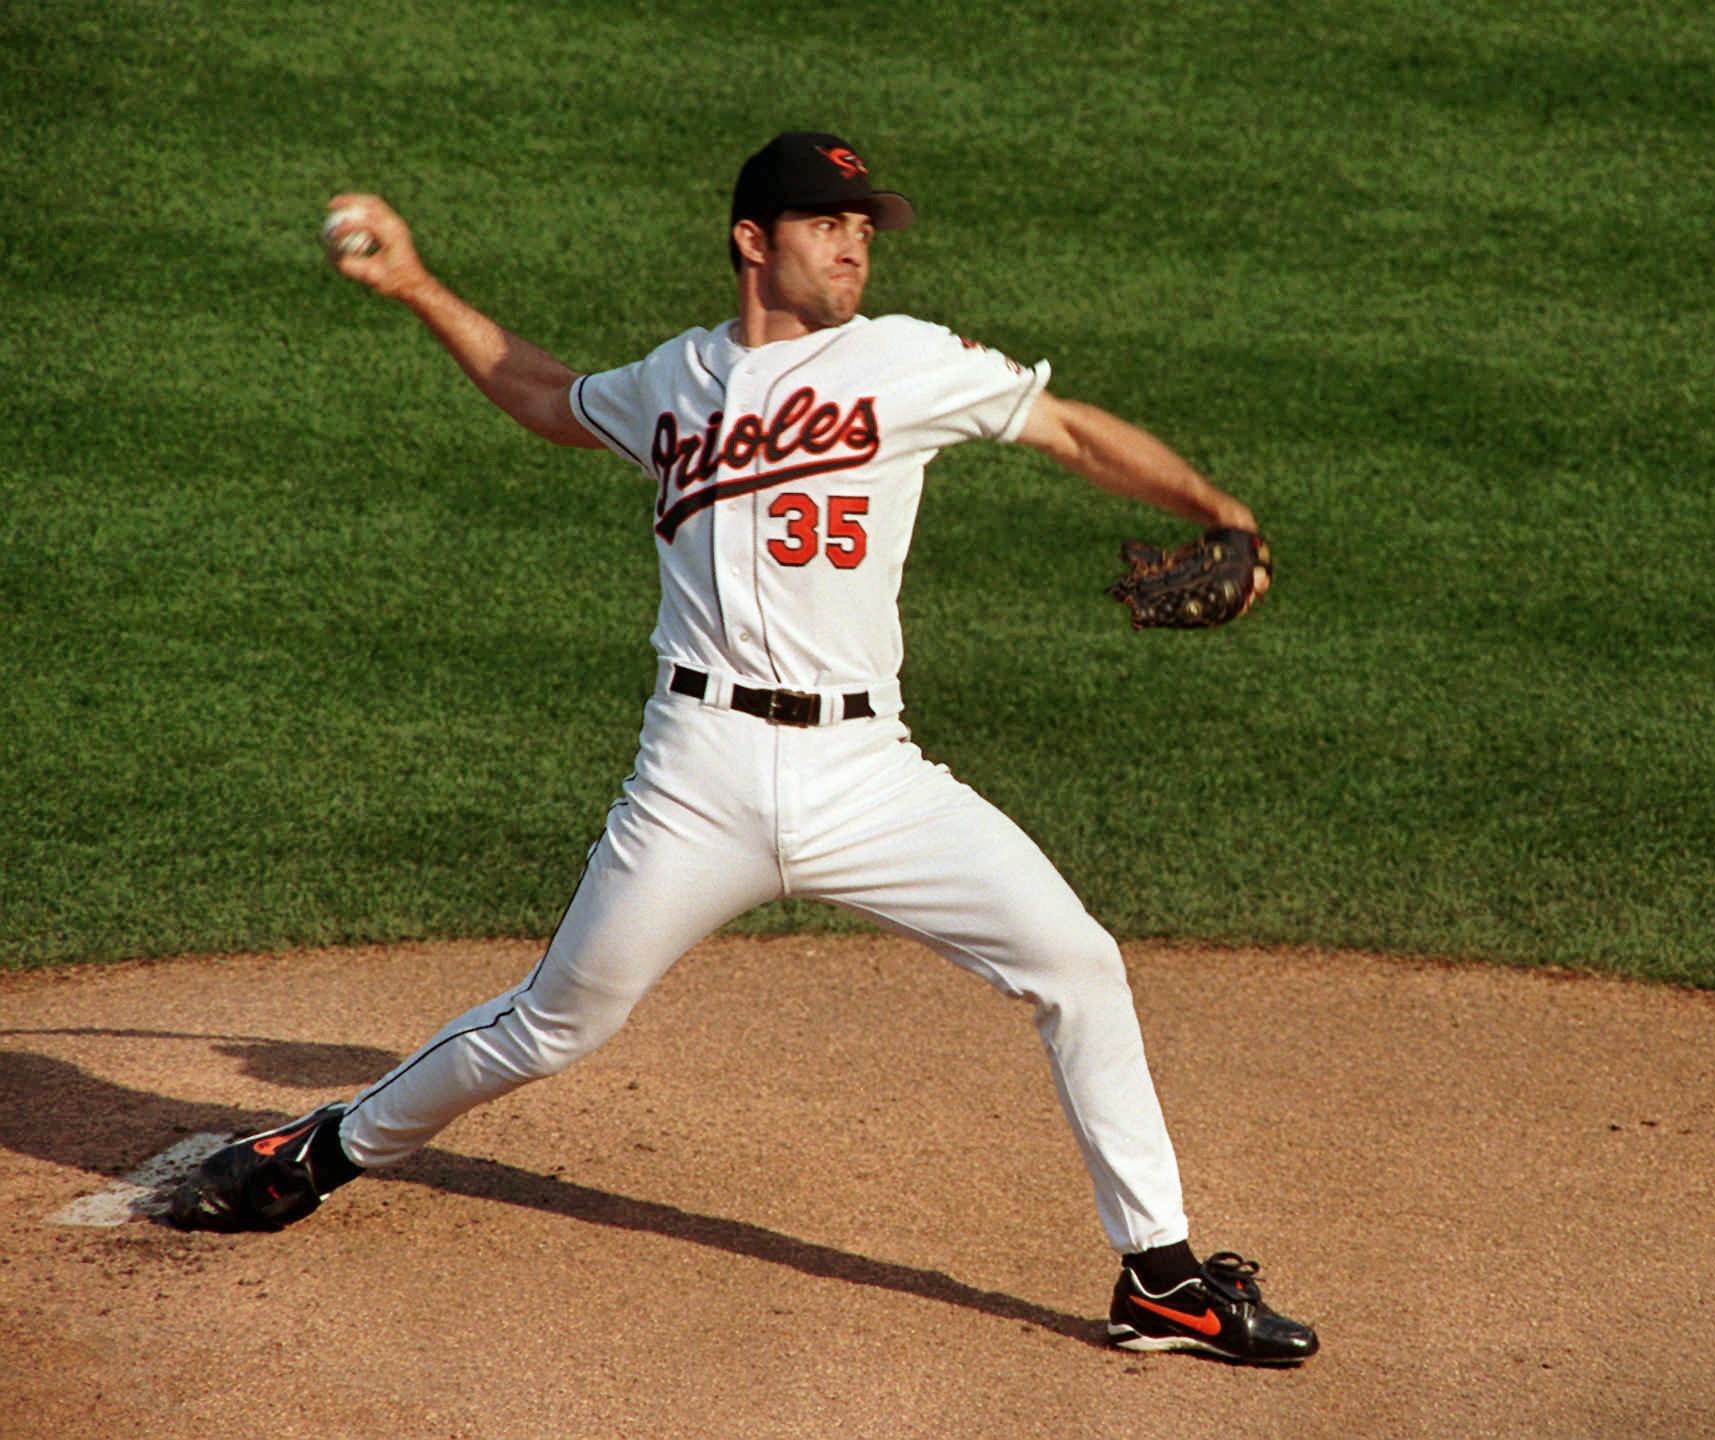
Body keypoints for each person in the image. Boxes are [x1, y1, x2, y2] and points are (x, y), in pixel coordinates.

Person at [169, 131, 1314, 1366]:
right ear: (753, 240)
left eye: (866, 227)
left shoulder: (906, 360)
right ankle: (325, 1151)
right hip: (697, 773)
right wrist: (415, 287)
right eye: (830, 223)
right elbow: (552, 400)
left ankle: (1159, 1280)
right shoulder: (673, 378)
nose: (855, 245)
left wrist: (1215, 509)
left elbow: (1072, 433)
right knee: (559, 1020)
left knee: (1077, 965)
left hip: (871, 776)